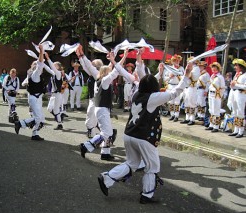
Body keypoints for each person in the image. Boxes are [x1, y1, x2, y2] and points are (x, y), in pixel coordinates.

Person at [97, 62, 192, 204]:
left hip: (129, 134)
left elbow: (141, 80)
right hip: (144, 137)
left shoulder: (136, 94)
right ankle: (146, 195)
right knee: (152, 167)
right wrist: (186, 75)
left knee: (132, 163)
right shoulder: (152, 98)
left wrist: (157, 72)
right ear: (153, 87)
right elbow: (174, 93)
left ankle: (108, 178)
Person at [80, 52, 130, 161]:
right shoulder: (105, 81)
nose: (111, 72)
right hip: (102, 109)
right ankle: (87, 145)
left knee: (108, 132)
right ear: (105, 73)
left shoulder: (99, 79)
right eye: (109, 71)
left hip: (101, 109)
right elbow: (117, 70)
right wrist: (124, 56)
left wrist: (113, 58)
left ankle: (105, 153)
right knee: (107, 132)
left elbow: (113, 68)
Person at [14, 44, 46, 141]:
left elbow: (41, 64)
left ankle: (35, 134)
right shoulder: (35, 74)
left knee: (41, 118)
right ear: (32, 67)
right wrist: (41, 51)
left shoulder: (35, 75)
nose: (37, 65)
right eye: (34, 64)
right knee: (38, 118)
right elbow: (40, 63)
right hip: (34, 98)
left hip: (38, 98)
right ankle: (20, 123)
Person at [44, 52, 65, 130]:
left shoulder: (58, 74)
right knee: (49, 109)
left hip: (57, 94)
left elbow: (51, 67)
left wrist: (48, 58)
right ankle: (59, 116)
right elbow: (49, 69)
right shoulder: (54, 74)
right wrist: (42, 62)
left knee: (55, 110)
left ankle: (59, 122)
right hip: (54, 94)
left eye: (55, 65)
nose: (54, 66)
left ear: (58, 67)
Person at [227, 59, 246, 138]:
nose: (235, 67)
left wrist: (236, 85)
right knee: (234, 112)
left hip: (241, 94)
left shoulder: (245, 75)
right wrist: (231, 85)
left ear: (241, 67)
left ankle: (241, 131)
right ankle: (235, 130)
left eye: (236, 65)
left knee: (240, 112)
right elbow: (233, 85)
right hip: (234, 94)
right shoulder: (236, 75)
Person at [205, 62, 226, 132]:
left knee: (216, 110)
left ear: (218, 69)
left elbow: (223, 87)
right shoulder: (212, 76)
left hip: (216, 94)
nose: (213, 70)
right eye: (213, 69)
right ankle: (211, 124)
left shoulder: (220, 77)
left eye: (215, 69)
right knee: (211, 109)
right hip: (210, 93)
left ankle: (216, 126)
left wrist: (220, 95)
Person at [180, 57, 200, 125]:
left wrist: (188, 72)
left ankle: (192, 119)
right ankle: (187, 118)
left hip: (192, 87)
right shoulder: (189, 68)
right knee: (186, 102)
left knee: (192, 103)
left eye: (189, 62)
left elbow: (193, 76)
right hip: (187, 87)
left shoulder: (196, 68)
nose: (188, 63)